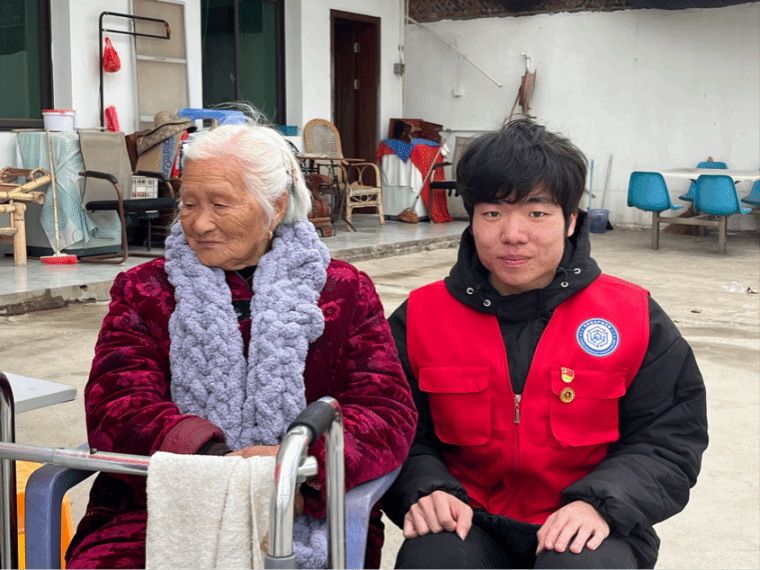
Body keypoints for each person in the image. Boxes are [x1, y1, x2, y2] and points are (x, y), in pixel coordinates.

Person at [66, 115, 417, 570]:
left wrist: (298, 467)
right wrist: (222, 465)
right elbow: (116, 404)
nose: (199, 223)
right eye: (188, 203)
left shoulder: (343, 290)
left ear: (276, 206)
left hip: (307, 505)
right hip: (159, 503)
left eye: (220, 203)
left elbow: (386, 410)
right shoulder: (145, 289)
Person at [383, 119, 708, 569]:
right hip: (468, 518)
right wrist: (427, 488)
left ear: (571, 220)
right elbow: (391, 428)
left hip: (589, 520)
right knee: (434, 558)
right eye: (493, 213)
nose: (513, 234)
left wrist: (602, 502)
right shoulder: (421, 316)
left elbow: (670, 438)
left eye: (537, 213)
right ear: (471, 219)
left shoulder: (633, 316)